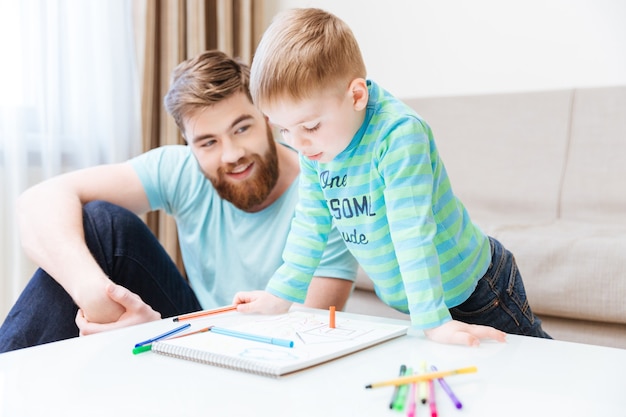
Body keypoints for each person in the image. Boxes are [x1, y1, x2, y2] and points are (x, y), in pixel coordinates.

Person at [0, 50, 358, 353]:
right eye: (207, 142)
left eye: (242, 128)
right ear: (189, 144)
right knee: (102, 223)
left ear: (268, 118)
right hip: (196, 327)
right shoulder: (182, 170)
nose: (231, 154)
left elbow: (305, 339)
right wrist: (96, 294)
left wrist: (159, 334)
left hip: (266, 350)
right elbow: (36, 202)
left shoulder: (326, 188)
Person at [233, 8, 551, 347]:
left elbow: (411, 230)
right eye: (283, 128)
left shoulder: (398, 135)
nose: (296, 143)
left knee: (533, 360)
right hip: (431, 300)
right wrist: (279, 294)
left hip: (477, 288)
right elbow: (310, 222)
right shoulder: (314, 149)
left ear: (356, 96)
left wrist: (432, 321)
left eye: (310, 126)